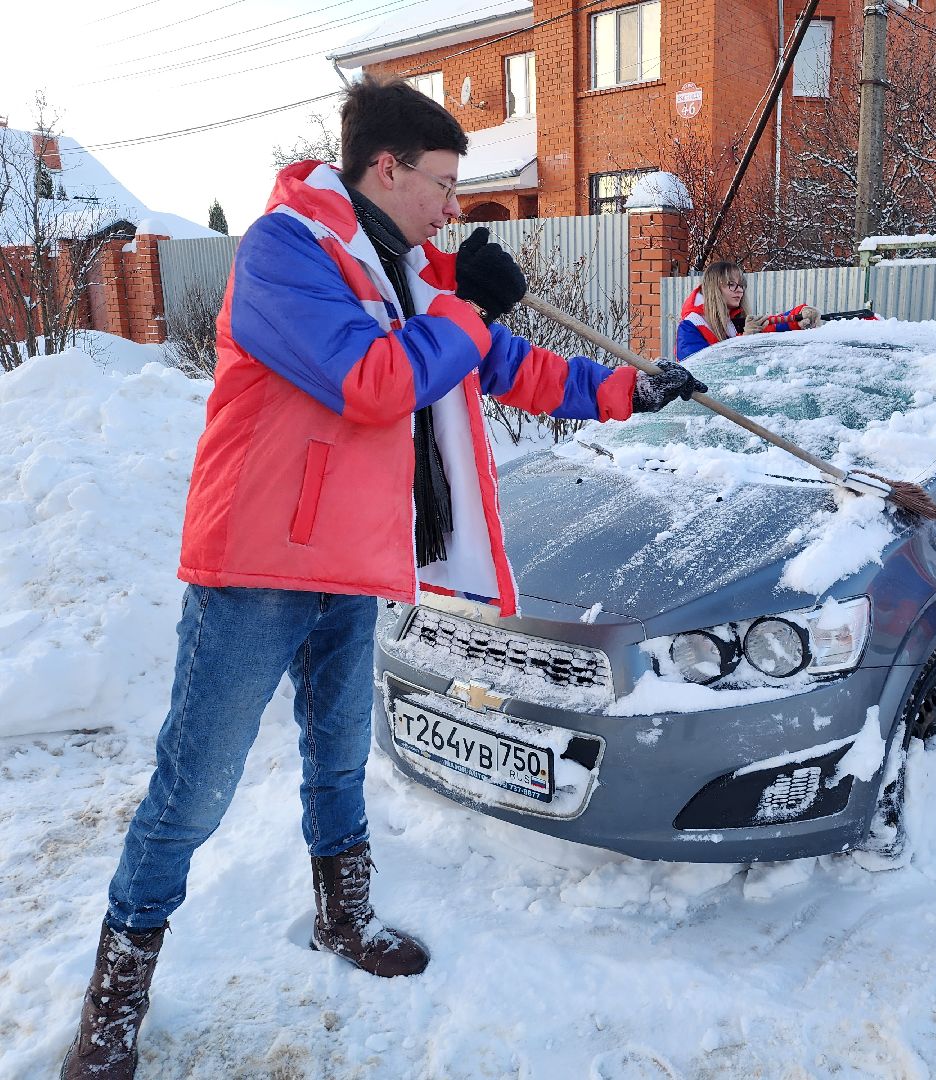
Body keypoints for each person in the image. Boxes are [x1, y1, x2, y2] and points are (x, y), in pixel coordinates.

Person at [60, 75, 704, 1080]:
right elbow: (375, 383)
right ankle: (115, 996)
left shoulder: (398, 268)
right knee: (195, 790)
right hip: (255, 566)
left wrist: (629, 386)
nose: (452, 204)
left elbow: (502, 364)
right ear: (385, 167)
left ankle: (343, 919)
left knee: (337, 764)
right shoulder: (285, 252)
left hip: (352, 565)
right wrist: (457, 303)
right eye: (442, 182)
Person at [675, 261, 820, 361]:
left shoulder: (732, 320)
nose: (739, 290)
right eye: (731, 284)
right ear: (713, 288)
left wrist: (799, 315)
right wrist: (744, 340)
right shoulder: (691, 326)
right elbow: (701, 370)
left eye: (741, 285)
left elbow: (770, 325)